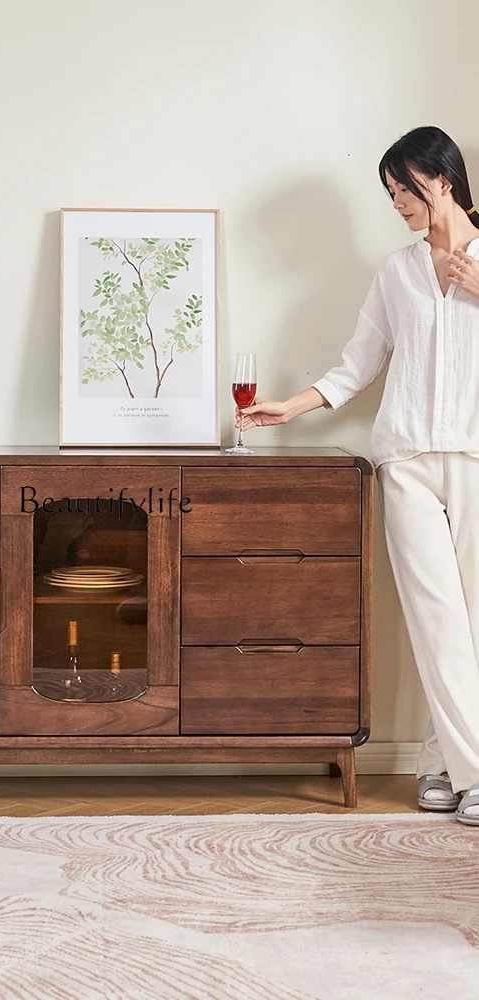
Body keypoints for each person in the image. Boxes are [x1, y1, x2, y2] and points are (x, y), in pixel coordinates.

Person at [235, 125, 479, 825]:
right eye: (389, 193)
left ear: (444, 180)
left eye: (404, 188)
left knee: (472, 624)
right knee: (435, 619)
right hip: (405, 460)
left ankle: (439, 763)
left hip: (476, 456)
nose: (397, 202)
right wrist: (295, 406)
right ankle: (476, 773)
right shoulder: (396, 272)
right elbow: (360, 362)